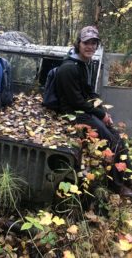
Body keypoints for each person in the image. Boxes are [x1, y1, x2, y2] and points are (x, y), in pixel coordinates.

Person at [56, 26, 132, 197]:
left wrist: (103, 111)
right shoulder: (69, 68)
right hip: (74, 114)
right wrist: (100, 114)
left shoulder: (84, 63)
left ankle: (127, 176)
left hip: (84, 110)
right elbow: (76, 101)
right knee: (111, 141)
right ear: (78, 43)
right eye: (86, 43)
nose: (90, 47)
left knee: (117, 137)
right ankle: (117, 186)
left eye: (93, 43)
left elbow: (89, 92)